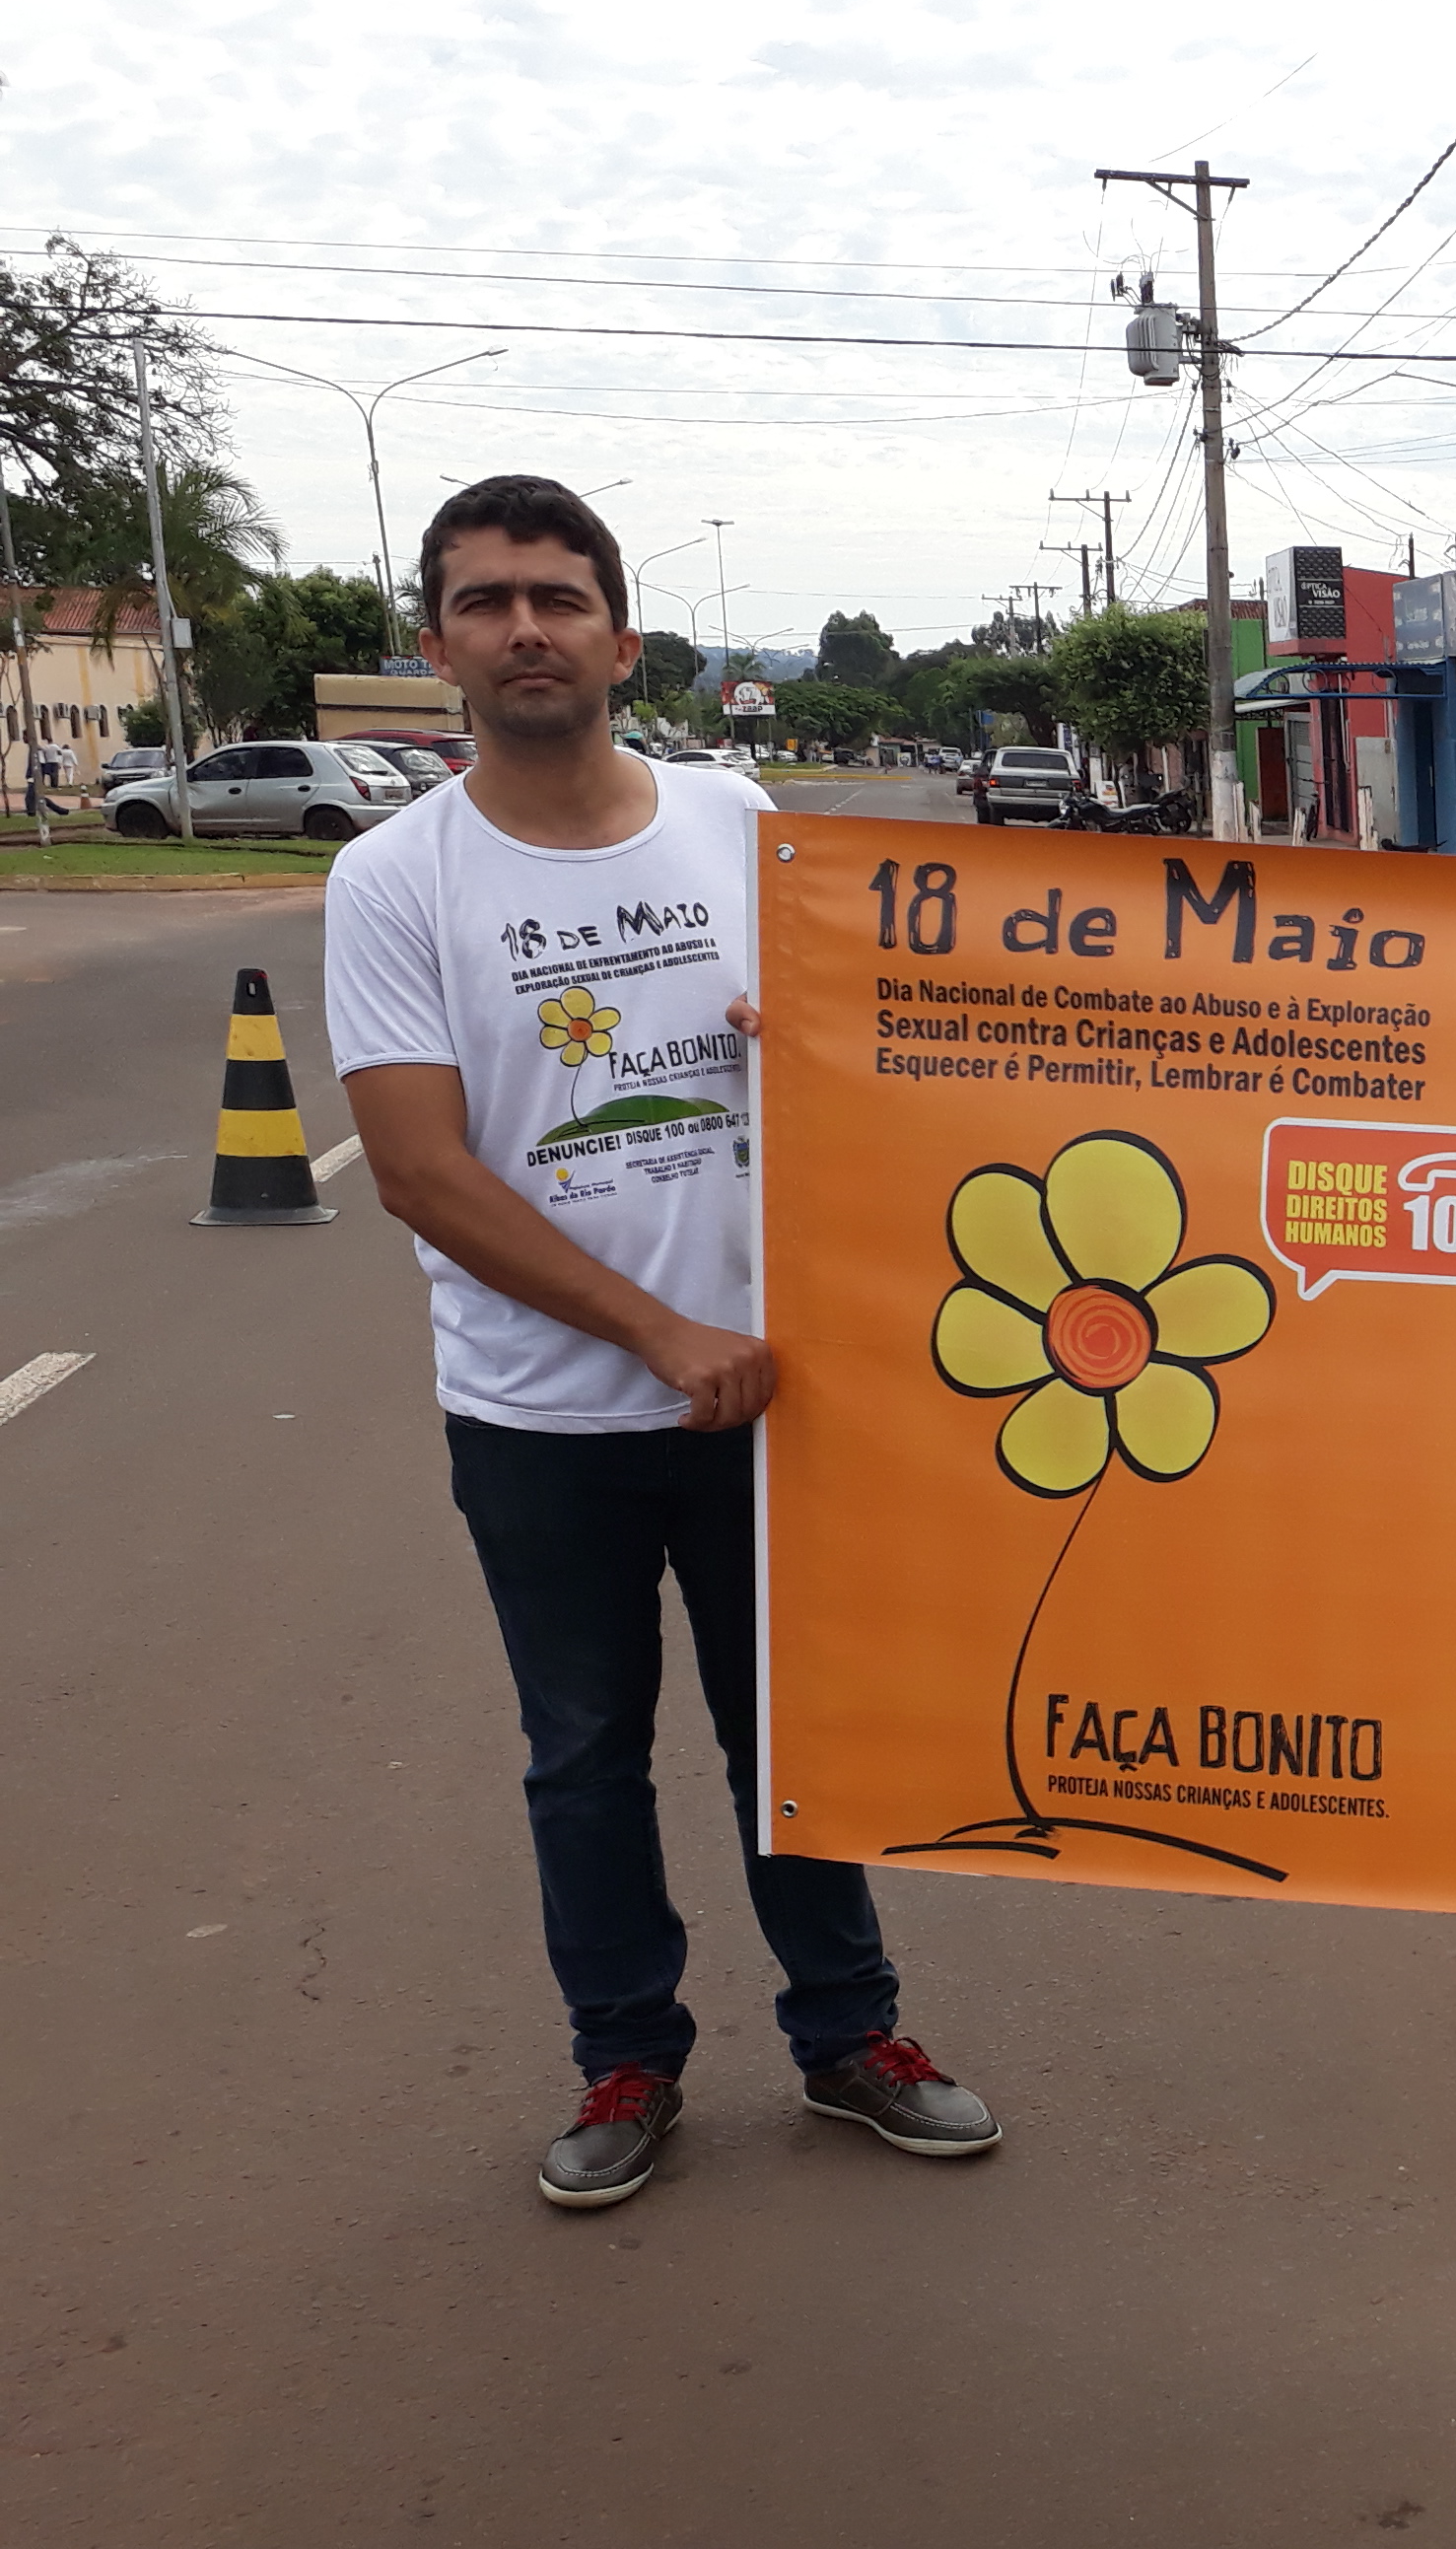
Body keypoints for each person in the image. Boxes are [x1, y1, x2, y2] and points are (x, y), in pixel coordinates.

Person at [325, 475, 1001, 2211]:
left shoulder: (733, 816)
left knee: (800, 1739)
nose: (524, 628)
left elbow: (862, 1055)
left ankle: (851, 2036)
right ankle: (624, 2058)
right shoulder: (393, 878)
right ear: (437, 648)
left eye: (556, 597)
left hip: (776, 1396)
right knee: (582, 1754)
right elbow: (416, 1166)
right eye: (485, 603)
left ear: (622, 637)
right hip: (540, 1412)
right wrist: (656, 1331)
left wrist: (825, 1045)